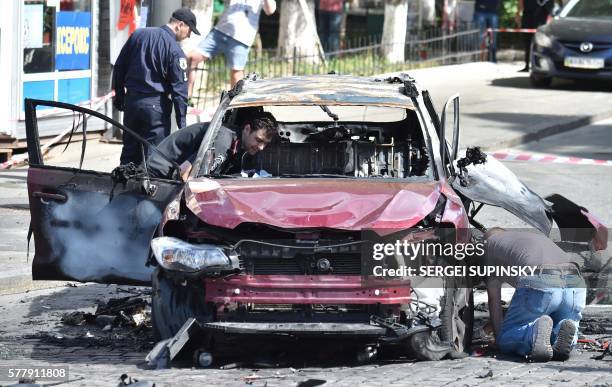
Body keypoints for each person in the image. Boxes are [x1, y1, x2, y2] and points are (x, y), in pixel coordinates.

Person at [482, 229, 586, 362]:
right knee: (565, 323)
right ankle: (561, 329)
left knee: (507, 337)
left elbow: (494, 300)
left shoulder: (489, 246)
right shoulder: (525, 237)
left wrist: (499, 339)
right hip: (575, 282)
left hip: (542, 280)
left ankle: (532, 333)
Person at [112, 8, 200, 165]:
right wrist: (182, 124)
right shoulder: (174, 50)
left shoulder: (138, 35)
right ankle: (148, 188)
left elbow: (119, 67)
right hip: (155, 108)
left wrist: (119, 97)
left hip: (132, 103)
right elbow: (180, 91)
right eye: (189, 30)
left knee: (128, 153)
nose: (189, 35)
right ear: (180, 25)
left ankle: (123, 186)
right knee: (154, 158)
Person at [147, 108, 278, 180]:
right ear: (247, 129)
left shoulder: (237, 142)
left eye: (265, 143)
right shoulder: (224, 141)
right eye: (259, 140)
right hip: (158, 175)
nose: (261, 147)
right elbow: (186, 174)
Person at [187, 0, 277, 96]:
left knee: (236, 74)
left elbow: (270, 10)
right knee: (191, 58)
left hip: (241, 38)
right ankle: (185, 99)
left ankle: (235, 108)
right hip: (220, 31)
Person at [516, 0, 554, 72]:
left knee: (539, 44)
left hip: (541, 18)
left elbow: (551, 6)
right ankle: (527, 65)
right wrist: (518, 13)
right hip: (528, 17)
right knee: (527, 42)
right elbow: (521, 2)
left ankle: (538, 65)